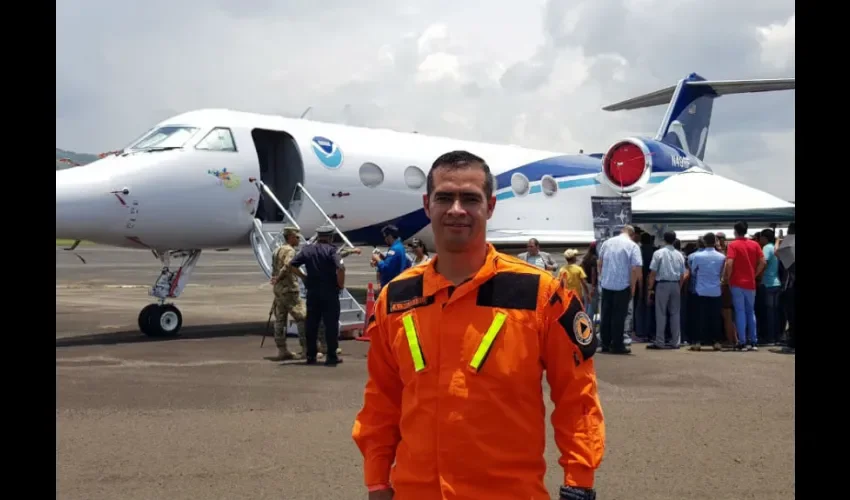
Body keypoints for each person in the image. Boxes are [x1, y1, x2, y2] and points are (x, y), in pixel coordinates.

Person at [352, 150, 605, 500]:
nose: (456, 209)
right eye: (445, 197)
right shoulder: (396, 298)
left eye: (470, 198)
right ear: (428, 205)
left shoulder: (541, 294)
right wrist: (377, 480)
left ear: (490, 205)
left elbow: (577, 397)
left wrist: (579, 481)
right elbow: (382, 400)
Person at [289, 225, 346, 366]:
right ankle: (331, 356)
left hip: (313, 292)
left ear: (318, 236)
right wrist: (340, 284)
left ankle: (311, 356)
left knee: (312, 324)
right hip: (330, 293)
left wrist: (304, 277)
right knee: (331, 325)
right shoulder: (332, 251)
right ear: (331, 237)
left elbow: (292, 265)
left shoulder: (307, 250)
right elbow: (341, 268)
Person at [597, 225, 642, 354]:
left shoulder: (607, 243)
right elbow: (635, 269)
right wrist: (633, 286)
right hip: (623, 285)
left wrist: (603, 277)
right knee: (619, 316)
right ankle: (617, 345)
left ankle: (605, 344)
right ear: (632, 235)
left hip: (607, 284)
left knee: (606, 315)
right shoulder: (633, 246)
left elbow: (600, 263)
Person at [724, 221, 765, 351]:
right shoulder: (755, 244)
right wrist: (754, 274)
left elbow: (729, 263)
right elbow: (763, 262)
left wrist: (727, 277)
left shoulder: (733, 245)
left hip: (737, 282)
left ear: (735, 231)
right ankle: (753, 341)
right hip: (750, 283)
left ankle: (742, 341)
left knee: (740, 311)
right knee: (750, 311)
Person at [265, 226, 305, 361]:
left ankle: (282, 350)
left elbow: (274, 268)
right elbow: (289, 266)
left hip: (279, 290)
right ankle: (306, 349)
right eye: (296, 237)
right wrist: (303, 276)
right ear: (290, 237)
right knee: (302, 317)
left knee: (280, 320)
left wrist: (276, 280)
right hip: (289, 289)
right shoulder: (290, 251)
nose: (299, 239)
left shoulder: (277, 250)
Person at [646, 231, 686, 350]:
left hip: (662, 284)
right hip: (675, 284)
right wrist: (679, 286)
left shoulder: (658, 253)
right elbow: (682, 274)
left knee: (661, 313)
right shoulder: (679, 255)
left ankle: (660, 341)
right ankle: (675, 341)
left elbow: (653, 273)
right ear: (674, 240)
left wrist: (650, 288)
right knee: (675, 313)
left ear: (664, 239)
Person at [688, 233, 726, 351]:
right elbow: (722, 273)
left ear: (704, 242)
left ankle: (698, 341)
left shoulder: (698, 256)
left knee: (699, 317)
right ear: (715, 242)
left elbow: (693, 271)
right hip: (716, 290)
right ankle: (716, 341)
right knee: (715, 317)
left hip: (701, 289)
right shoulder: (721, 257)